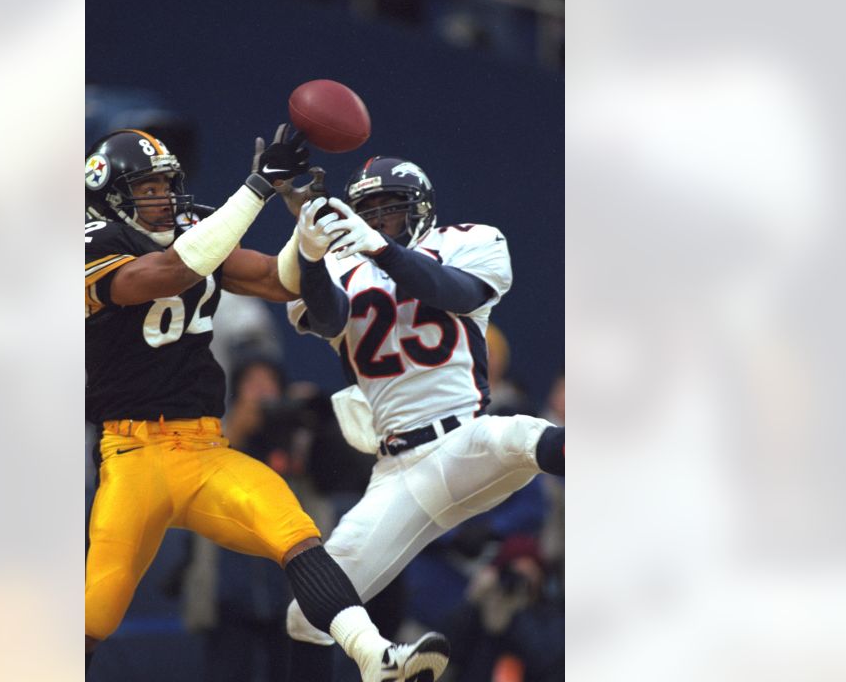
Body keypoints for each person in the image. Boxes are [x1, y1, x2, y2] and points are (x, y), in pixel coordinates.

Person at [84, 129, 450, 682]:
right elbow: (171, 273)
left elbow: (277, 282)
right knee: (98, 610)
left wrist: (306, 238)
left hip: (206, 448)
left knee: (295, 532)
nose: (163, 198)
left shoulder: (187, 232)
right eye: (148, 187)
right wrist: (256, 188)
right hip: (133, 452)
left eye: (166, 185)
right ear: (110, 196)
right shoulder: (89, 244)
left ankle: (374, 656)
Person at [282, 156, 565, 680]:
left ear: (421, 209)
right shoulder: (342, 266)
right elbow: (326, 318)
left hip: (464, 439)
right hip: (397, 470)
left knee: (522, 436)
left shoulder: (467, 240)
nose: (378, 221)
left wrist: (381, 248)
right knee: (308, 614)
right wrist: (313, 257)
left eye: (390, 210)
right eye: (367, 212)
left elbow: (450, 293)